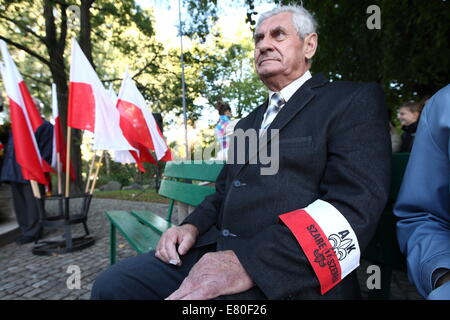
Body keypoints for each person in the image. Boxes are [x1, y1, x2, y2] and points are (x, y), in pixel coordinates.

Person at [92, 5, 391, 300]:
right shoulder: (248, 122)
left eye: (277, 34)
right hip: (214, 251)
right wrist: (190, 225)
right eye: (258, 39)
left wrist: (250, 263)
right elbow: (223, 191)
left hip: (288, 272)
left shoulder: (350, 100)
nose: (264, 45)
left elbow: (353, 204)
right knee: (114, 286)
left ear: (309, 45)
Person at [394, 84, 450, 300]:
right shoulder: (443, 105)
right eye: (398, 113)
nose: (400, 117)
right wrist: (444, 276)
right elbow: (423, 215)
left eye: (403, 113)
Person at [0, 119, 53, 245]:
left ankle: (34, 232)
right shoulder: (18, 124)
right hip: (13, 170)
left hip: (32, 172)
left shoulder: (44, 126)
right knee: (20, 205)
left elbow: (46, 151)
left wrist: (36, 169)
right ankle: (26, 231)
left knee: (32, 204)